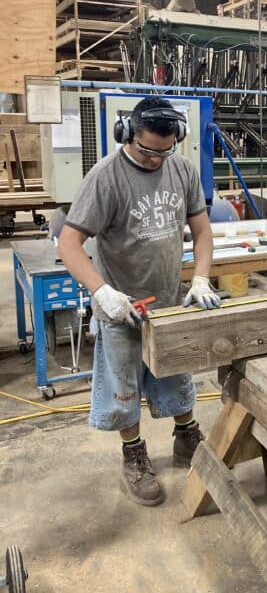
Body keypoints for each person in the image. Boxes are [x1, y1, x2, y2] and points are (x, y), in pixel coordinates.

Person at [58, 96, 221, 506]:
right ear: (127, 134)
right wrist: (101, 292)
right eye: (148, 150)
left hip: (167, 302)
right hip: (122, 307)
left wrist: (200, 278)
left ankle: (186, 438)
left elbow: (202, 231)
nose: (155, 159)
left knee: (176, 378)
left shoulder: (181, 169)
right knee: (123, 388)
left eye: (164, 151)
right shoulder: (106, 178)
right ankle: (134, 456)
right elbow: (69, 242)